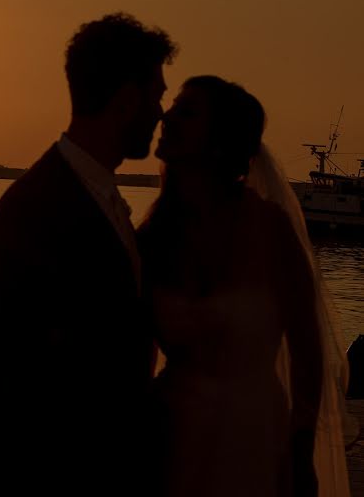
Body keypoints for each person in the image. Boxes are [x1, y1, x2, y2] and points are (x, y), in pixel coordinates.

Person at [0, 13, 177, 495]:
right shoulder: (37, 207)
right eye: (156, 95)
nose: (161, 112)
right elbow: (35, 372)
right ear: (126, 102)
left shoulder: (98, 196)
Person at [138, 76, 350, 496]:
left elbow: (308, 348)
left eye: (188, 111)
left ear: (218, 141)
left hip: (255, 439)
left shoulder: (270, 229)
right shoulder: (153, 236)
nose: (168, 116)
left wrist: (301, 443)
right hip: (173, 436)